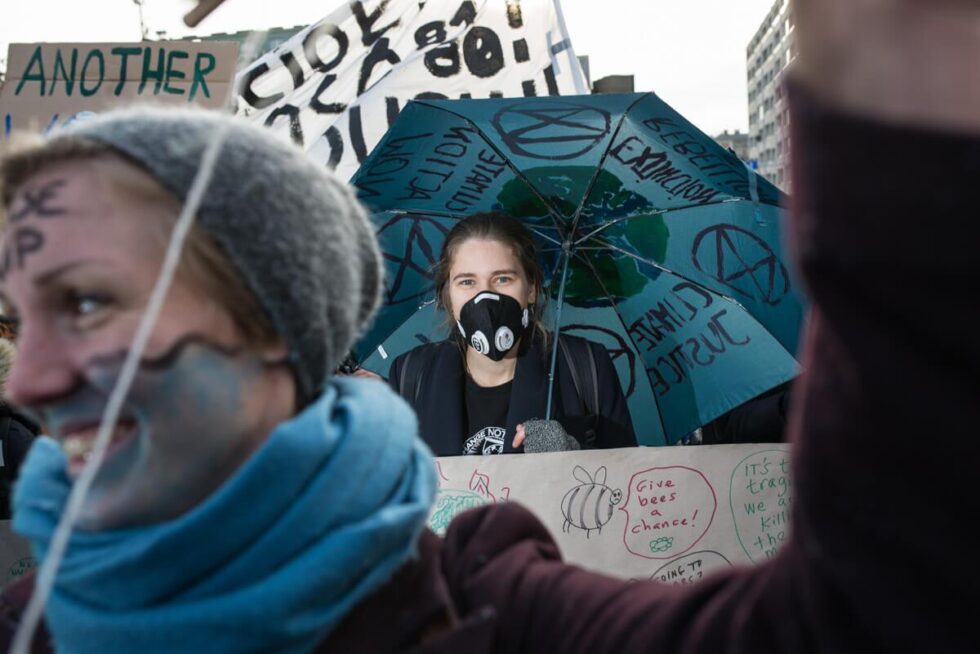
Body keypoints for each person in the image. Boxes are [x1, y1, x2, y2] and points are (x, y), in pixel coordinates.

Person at [1, 0, 978, 650]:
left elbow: (866, 618)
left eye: (89, 304)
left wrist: (895, 67)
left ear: (275, 327)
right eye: (14, 318)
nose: (27, 380)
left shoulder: (490, 594)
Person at [386, 211, 637, 456]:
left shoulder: (586, 365)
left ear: (531, 289)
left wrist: (572, 453)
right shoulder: (410, 374)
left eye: (503, 279)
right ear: (448, 294)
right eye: (467, 282)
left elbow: (629, 479)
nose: (485, 297)